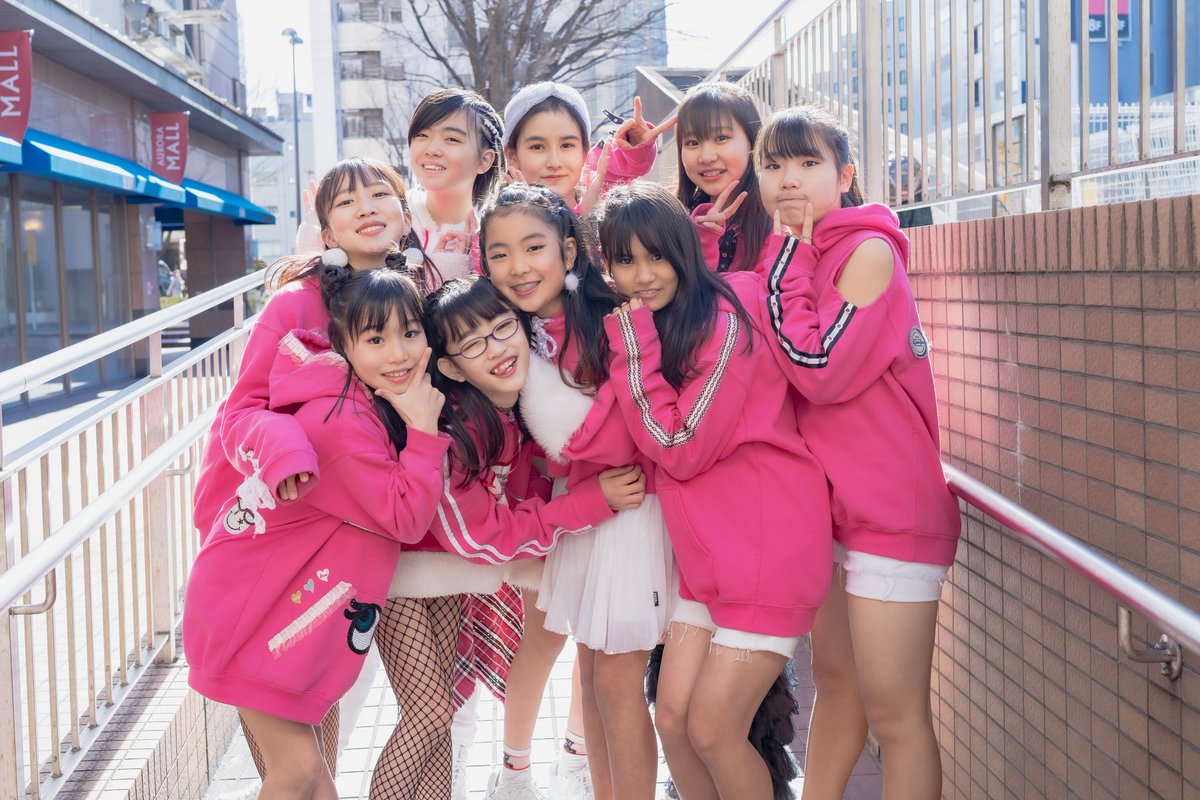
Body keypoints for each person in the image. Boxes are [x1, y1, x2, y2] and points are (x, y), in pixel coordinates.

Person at [191, 155, 426, 784]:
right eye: (346, 202)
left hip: (361, 532)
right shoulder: (297, 303)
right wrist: (287, 453)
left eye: (379, 194)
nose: (366, 208)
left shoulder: (416, 295)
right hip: (274, 535)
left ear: (405, 215)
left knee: (309, 765)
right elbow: (242, 410)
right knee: (295, 765)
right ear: (326, 233)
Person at [594, 181, 830, 800]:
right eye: (625, 260)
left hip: (766, 553)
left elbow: (680, 444)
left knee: (714, 729)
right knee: (673, 720)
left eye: (657, 255)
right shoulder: (670, 317)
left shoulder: (723, 321)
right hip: (708, 561)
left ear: (681, 250)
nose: (643, 275)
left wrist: (631, 342)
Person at [367, 275, 643, 800]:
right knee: (428, 713)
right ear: (451, 366)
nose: (495, 348)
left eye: (501, 328)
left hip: (442, 575)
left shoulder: (514, 406)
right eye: (472, 344)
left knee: (439, 715)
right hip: (404, 572)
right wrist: (589, 502)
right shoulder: (458, 428)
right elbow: (481, 537)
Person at [756, 105, 962, 800]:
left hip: (890, 514)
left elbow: (819, 367)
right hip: (831, 513)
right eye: (773, 164)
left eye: (807, 162)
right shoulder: (797, 251)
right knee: (837, 685)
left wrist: (785, 257)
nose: (789, 179)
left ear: (844, 175)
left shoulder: (868, 249)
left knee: (897, 717)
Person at [481, 183, 673, 800]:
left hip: (631, 510)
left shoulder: (608, 317)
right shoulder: (521, 330)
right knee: (591, 683)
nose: (517, 266)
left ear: (568, 251)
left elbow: (623, 431)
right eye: (500, 254)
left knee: (616, 687)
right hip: (590, 510)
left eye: (532, 247)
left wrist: (565, 444)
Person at [502, 82, 674, 216]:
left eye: (567, 145)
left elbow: (623, 165)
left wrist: (634, 145)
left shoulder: (603, 198)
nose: (554, 163)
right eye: (537, 147)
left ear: (585, 151)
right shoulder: (496, 222)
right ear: (512, 155)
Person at [675, 81, 781, 275]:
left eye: (721, 138)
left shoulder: (778, 221)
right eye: (692, 142)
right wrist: (632, 155)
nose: (706, 157)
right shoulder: (672, 214)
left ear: (753, 141)